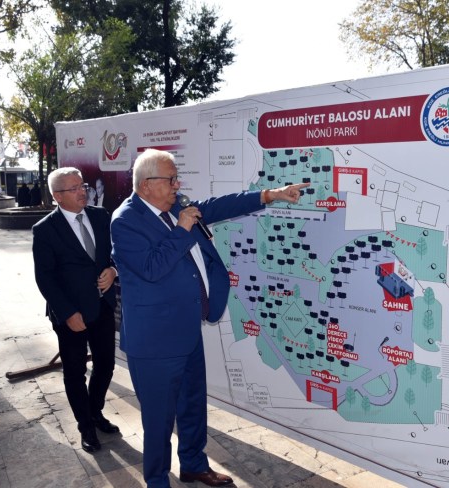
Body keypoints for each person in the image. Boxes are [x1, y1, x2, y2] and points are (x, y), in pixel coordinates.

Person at [111, 149, 308, 487]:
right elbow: (151, 269)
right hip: (155, 342)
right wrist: (182, 230)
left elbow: (217, 206)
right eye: (171, 179)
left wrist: (270, 195)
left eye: (176, 178)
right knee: (158, 420)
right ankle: (157, 480)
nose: (177, 185)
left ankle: (193, 465)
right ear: (146, 185)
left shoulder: (173, 206)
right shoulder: (125, 221)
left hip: (186, 330)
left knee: (192, 406)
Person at [32, 167, 119, 454]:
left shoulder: (101, 216)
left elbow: (115, 253)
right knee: (75, 371)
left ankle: (95, 411)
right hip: (70, 315)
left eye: (82, 186)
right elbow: (45, 277)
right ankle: (86, 426)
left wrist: (113, 270)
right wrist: (68, 313)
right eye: (74, 189)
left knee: (106, 364)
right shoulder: (45, 229)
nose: (82, 192)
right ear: (57, 196)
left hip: (102, 305)